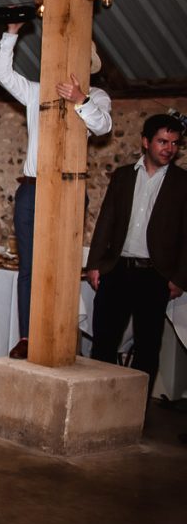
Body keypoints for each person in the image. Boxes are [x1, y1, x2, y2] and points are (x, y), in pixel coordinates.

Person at [0, 22, 112, 359]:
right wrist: (11, 33)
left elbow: (104, 125)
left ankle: (59, 335)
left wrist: (79, 100)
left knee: (61, 265)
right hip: (31, 191)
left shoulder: (97, 97)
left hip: (69, 191)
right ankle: (28, 337)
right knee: (29, 266)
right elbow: (2, 73)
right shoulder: (35, 91)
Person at [86, 114, 187, 394]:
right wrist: (94, 264)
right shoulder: (122, 176)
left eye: (175, 143)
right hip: (117, 270)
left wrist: (179, 277)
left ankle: (135, 414)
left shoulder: (182, 183)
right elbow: (105, 222)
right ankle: (96, 402)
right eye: (162, 141)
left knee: (147, 348)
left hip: (155, 276)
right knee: (104, 342)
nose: (169, 148)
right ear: (146, 142)